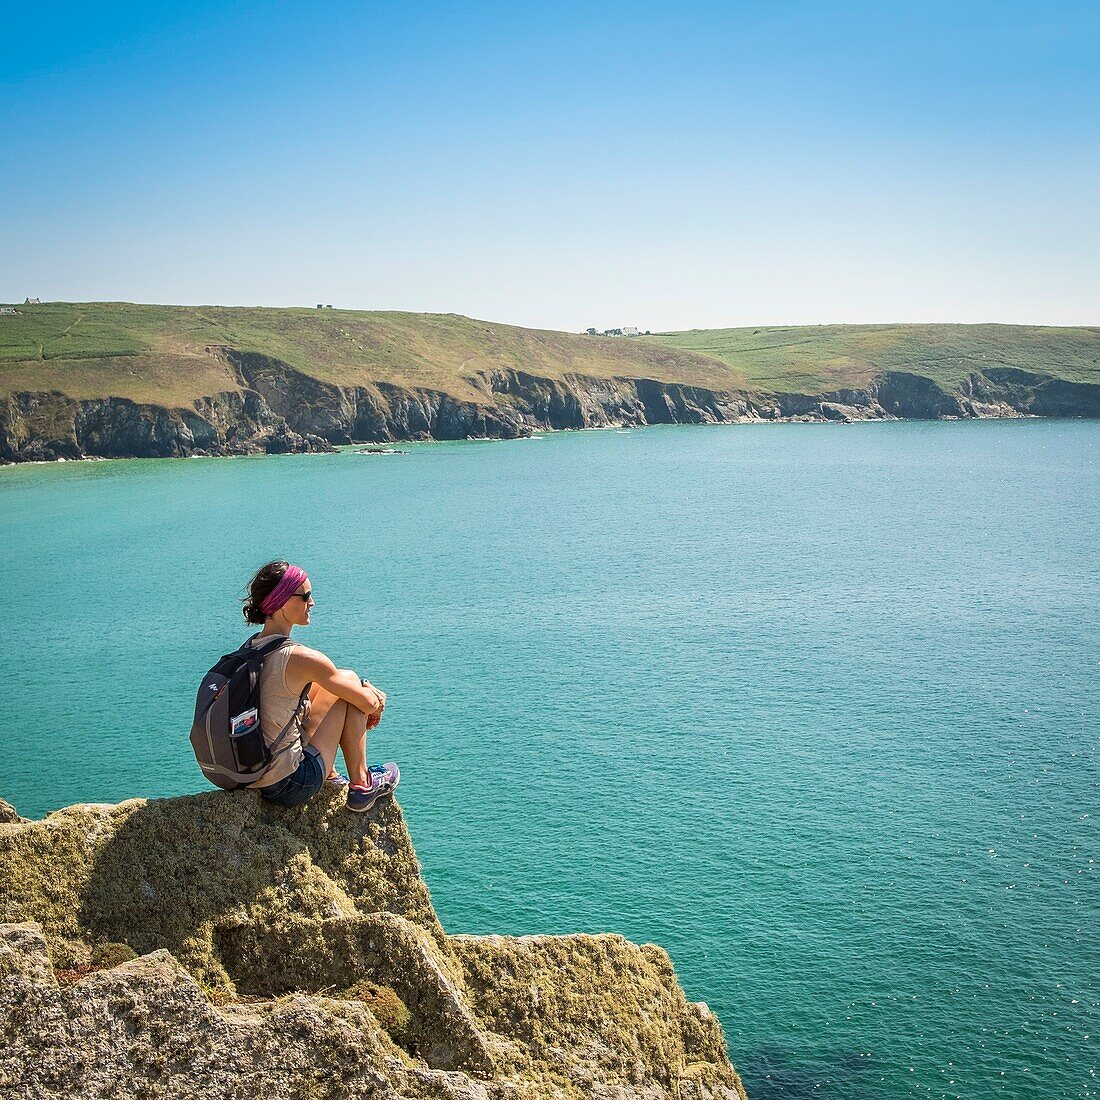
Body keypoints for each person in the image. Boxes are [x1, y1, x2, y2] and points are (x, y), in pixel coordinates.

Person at [240, 560, 399, 811]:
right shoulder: (299, 657)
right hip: (291, 784)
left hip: (251, 776)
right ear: (282, 601)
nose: (311, 603)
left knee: (339, 682)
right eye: (305, 596)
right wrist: (373, 696)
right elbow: (367, 704)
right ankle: (362, 784)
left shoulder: (251, 649)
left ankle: (333, 775)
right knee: (349, 685)